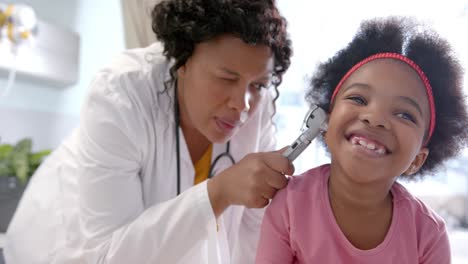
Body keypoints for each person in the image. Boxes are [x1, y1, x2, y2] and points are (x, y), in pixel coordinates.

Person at [5, 0, 294, 263]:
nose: (242, 104)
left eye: (258, 84)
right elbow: (110, 254)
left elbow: (253, 233)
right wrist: (218, 193)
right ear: (183, 61)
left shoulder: (259, 107)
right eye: (226, 78)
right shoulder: (122, 94)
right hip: (58, 244)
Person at [255, 17, 468, 264]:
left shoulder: (429, 235)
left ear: (417, 159)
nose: (375, 118)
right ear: (324, 121)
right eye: (358, 99)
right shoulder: (290, 204)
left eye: (404, 114)